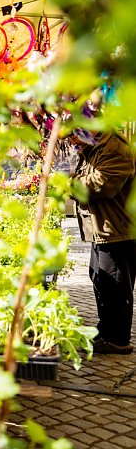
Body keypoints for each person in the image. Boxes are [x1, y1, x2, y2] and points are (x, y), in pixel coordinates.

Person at [70, 127, 136, 354]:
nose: (73, 138)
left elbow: (101, 185)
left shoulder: (115, 147)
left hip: (116, 230)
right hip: (102, 228)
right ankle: (106, 331)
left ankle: (118, 338)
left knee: (115, 284)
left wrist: (69, 184)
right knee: (100, 279)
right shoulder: (94, 148)